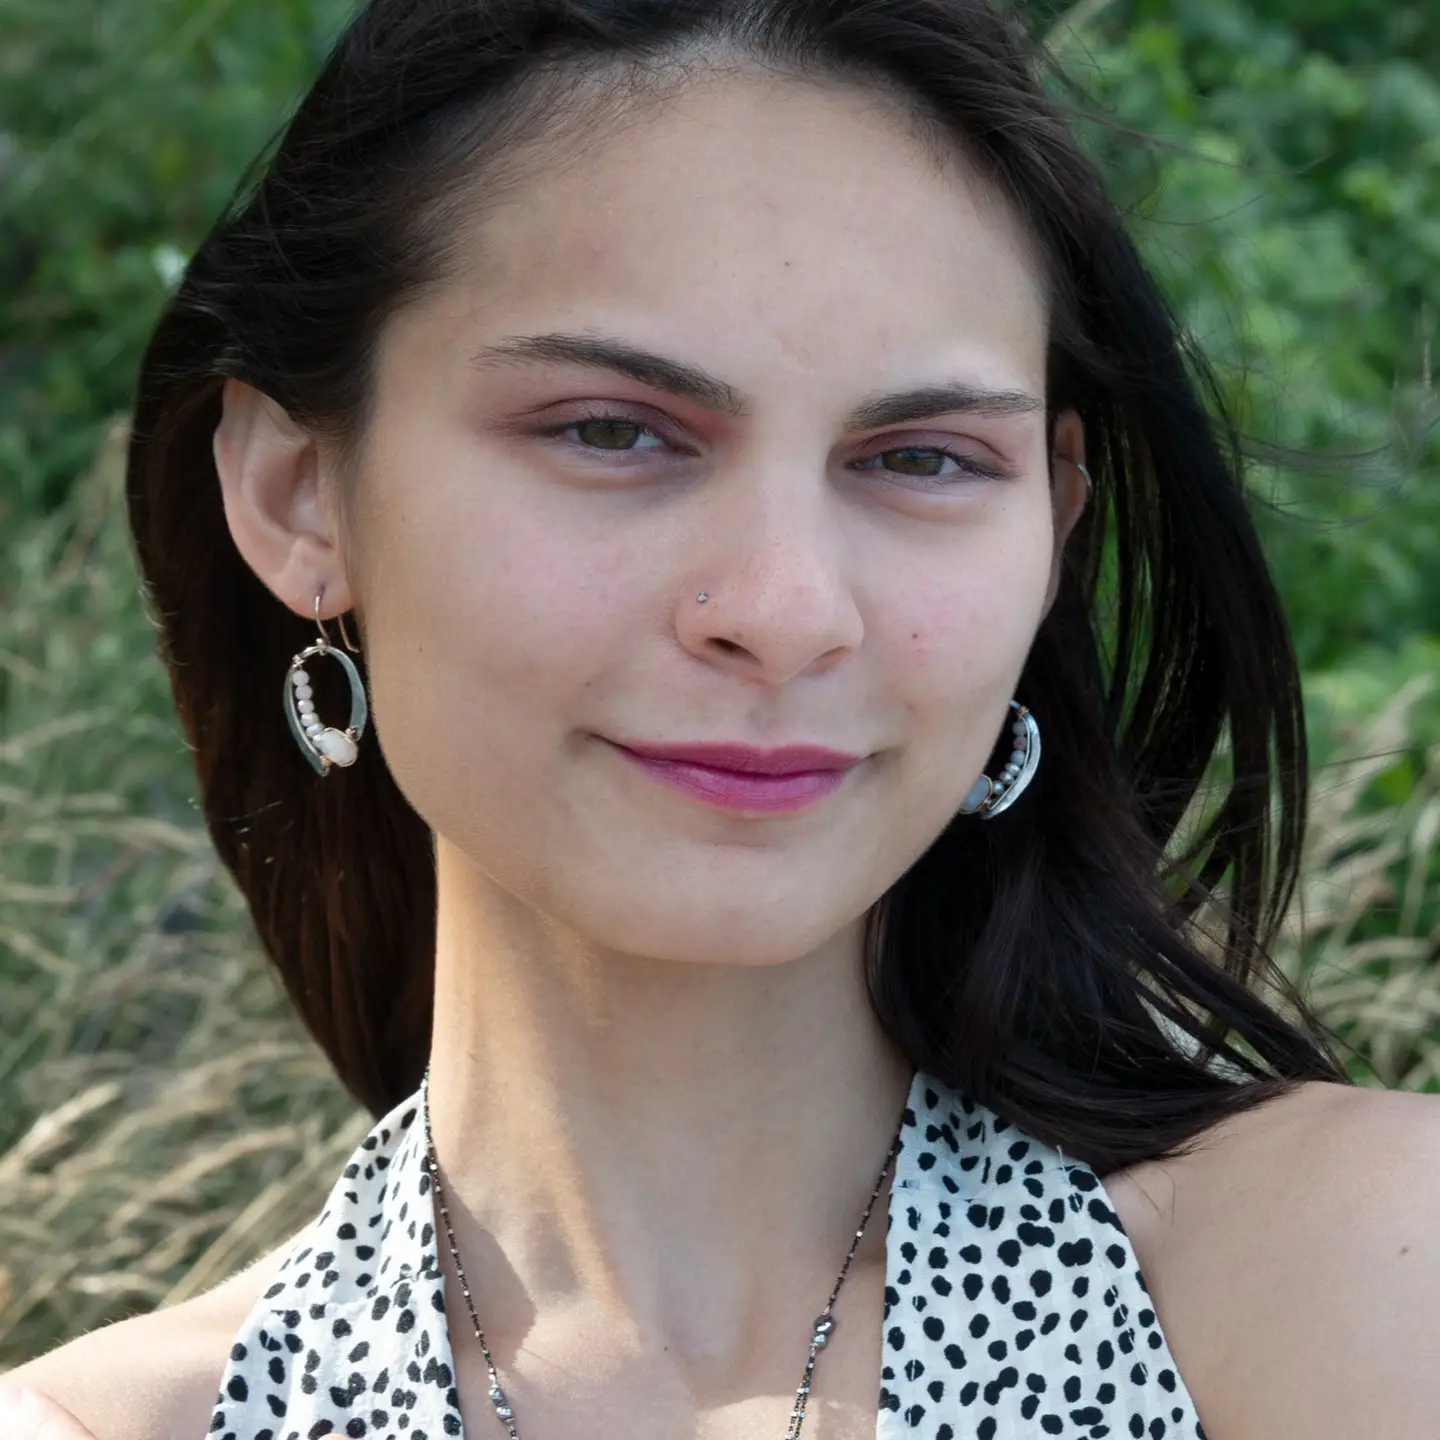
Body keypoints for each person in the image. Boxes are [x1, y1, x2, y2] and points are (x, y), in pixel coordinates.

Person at [5, 0, 1439, 1436]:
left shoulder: (1361, 1278)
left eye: (924, 458)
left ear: (1051, 530)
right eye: (612, 431)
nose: (786, 605)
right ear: (295, 492)